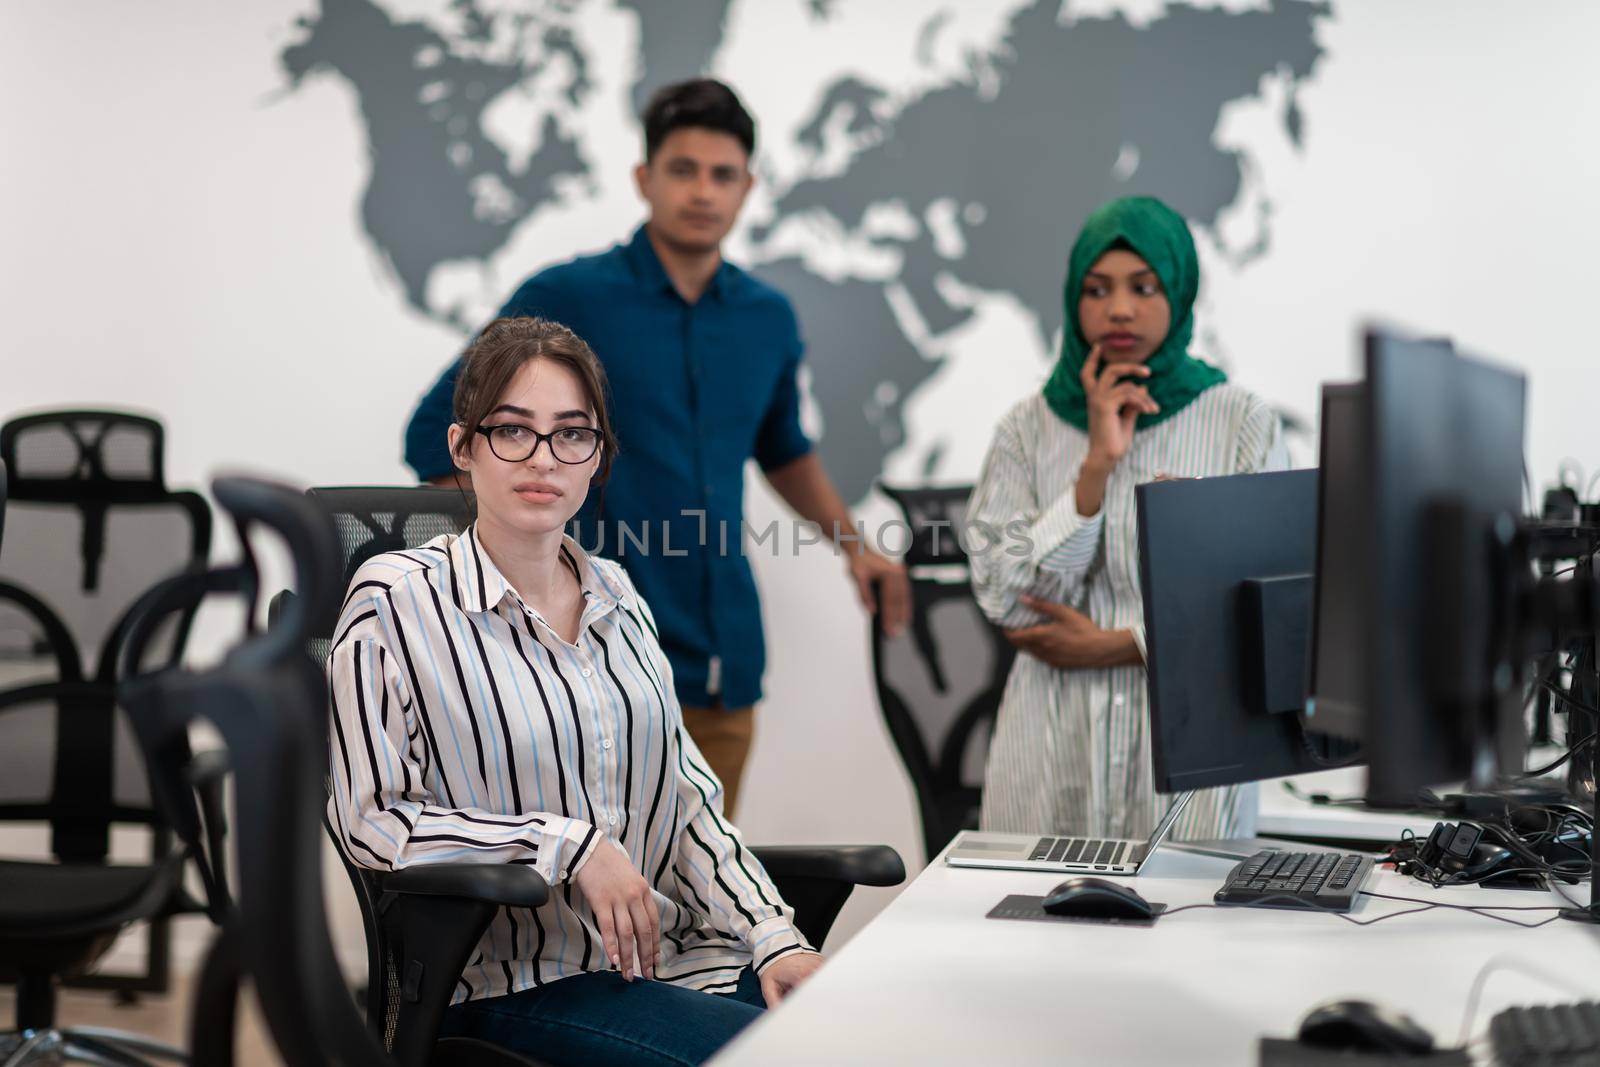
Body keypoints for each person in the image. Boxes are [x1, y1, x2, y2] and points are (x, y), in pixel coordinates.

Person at [402, 78, 908, 818]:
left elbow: (784, 449)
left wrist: (855, 545)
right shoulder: (571, 297)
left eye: (722, 174)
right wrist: (517, 572)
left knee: (702, 899)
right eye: (683, 169)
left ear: (748, 188)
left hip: (722, 664)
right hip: (585, 658)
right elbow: (434, 431)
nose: (703, 191)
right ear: (645, 178)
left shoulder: (767, 318)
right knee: (589, 906)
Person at [332, 318, 822, 1066]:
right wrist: (563, 844)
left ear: (598, 456)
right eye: (513, 431)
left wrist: (772, 934)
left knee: (860, 1028)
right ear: (462, 447)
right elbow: (372, 820)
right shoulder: (396, 600)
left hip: (670, 964)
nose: (544, 459)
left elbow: (686, 801)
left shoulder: (618, 594)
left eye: (571, 434)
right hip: (515, 986)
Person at [966, 195, 1287, 842]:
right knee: (1034, 935)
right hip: (1052, 752)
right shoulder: (1026, 430)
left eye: (1144, 287)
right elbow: (1008, 600)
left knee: (1192, 929)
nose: (1118, 309)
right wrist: (1096, 467)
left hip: (1187, 754)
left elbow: (1266, 610)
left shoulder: (1240, 422)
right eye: (1097, 289)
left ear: (1180, 292)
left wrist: (1117, 645)